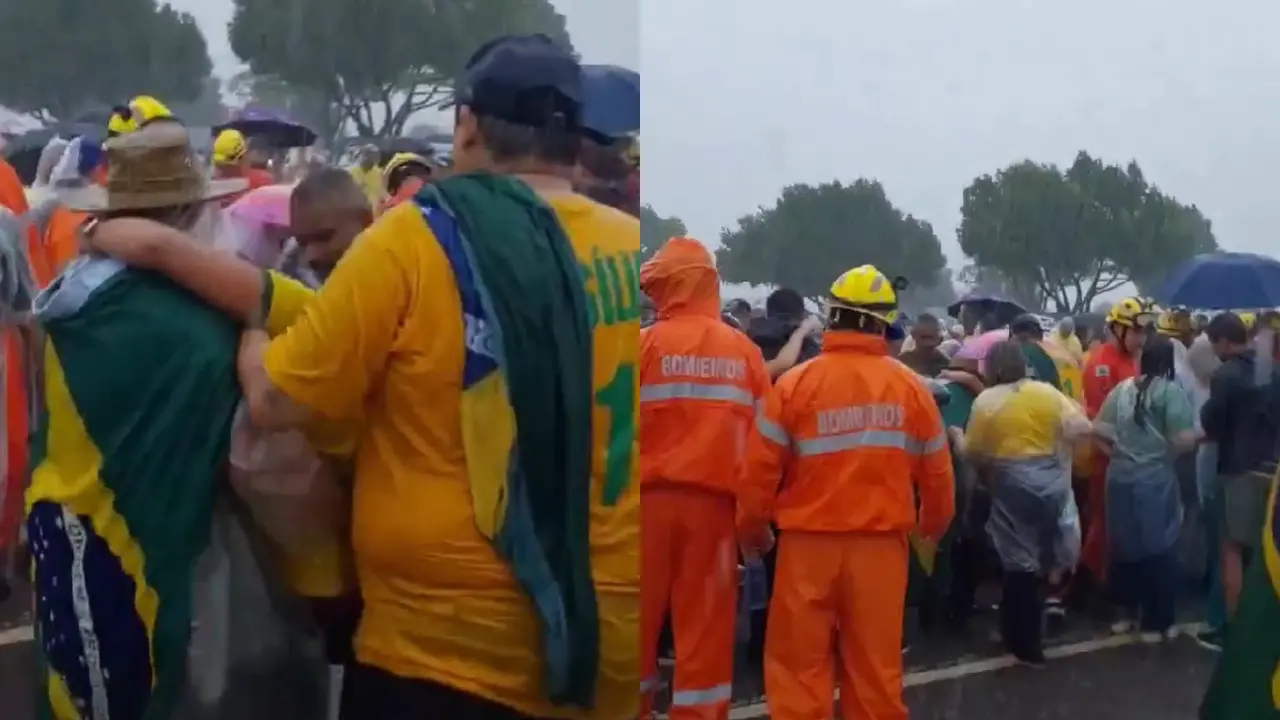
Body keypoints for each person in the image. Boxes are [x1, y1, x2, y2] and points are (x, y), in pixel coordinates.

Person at [85, 34, 640, 720]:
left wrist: (255, 327)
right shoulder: (627, 246)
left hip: (440, 655)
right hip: (607, 645)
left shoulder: (421, 235)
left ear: (466, 125)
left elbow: (275, 399)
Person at [28, 120, 337, 719]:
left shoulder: (70, 295)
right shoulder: (202, 330)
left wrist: (157, 249)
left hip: (65, 541)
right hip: (154, 563)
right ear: (193, 213)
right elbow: (314, 320)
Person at [738, 264, 954, 720]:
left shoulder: (795, 384)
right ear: (884, 323)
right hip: (880, 552)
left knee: (799, 674)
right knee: (874, 675)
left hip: (806, 550)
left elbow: (758, 474)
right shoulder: (911, 390)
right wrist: (928, 534)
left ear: (833, 315)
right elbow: (938, 478)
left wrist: (754, 534)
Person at [638, 237, 770, 720]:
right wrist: (757, 520)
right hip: (717, 511)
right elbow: (764, 446)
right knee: (705, 629)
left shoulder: (643, 345)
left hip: (642, 506)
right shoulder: (745, 352)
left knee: (634, 621)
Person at [963, 340, 1090, 666]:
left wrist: (955, 437)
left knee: (1018, 564)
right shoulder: (1047, 393)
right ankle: (1031, 628)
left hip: (1012, 487)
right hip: (1051, 486)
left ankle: (1023, 642)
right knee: (1044, 559)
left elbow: (974, 451)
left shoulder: (986, 402)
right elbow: (1080, 427)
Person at [1093, 335, 1196, 642]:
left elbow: (1098, 428)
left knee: (1124, 547)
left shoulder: (1121, 389)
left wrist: (1118, 453)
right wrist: (1167, 455)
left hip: (1119, 478)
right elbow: (1184, 440)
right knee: (1159, 546)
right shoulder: (1170, 392)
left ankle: (1126, 613)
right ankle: (1158, 620)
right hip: (1154, 481)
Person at [1199, 311, 1280, 639]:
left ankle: (1233, 632)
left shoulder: (1226, 375)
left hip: (1239, 470)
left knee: (1232, 549)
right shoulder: (1271, 371)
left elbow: (1211, 423)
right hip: (1272, 471)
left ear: (1222, 340)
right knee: (1264, 552)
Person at [1079, 296, 1156, 595]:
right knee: (1104, 522)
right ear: (1118, 329)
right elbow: (1103, 418)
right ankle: (1094, 583)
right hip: (1107, 457)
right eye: (1136, 331)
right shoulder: (1100, 363)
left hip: (1131, 457)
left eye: (1144, 332)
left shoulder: (1133, 361)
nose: (1141, 338)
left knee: (1123, 524)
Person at [748, 287, 823, 379]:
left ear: (767, 314)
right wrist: (802, 330)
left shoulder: (750, 342)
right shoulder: (811, 350)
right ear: (801, 315)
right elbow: (783, 364)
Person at [212, 128, 274, 204]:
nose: (223, 171)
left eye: (228, 166)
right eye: (220, 166)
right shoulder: (212, 188)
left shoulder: (262, 182)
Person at [899, 312, 949, 377]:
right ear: (913, 334)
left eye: (930, 338)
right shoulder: (903, 361)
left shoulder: (945, 363)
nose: (926, 345)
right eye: (924, 337)